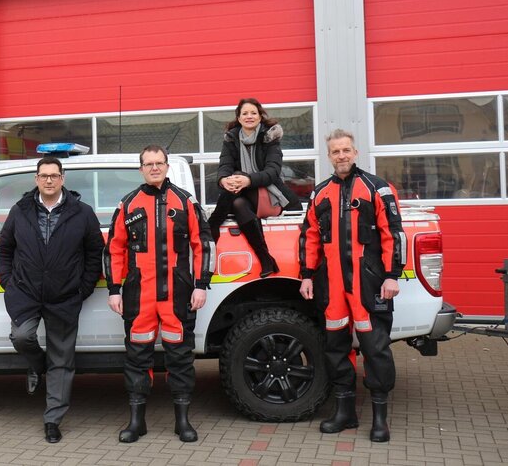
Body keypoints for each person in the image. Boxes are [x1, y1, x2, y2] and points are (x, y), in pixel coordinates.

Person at [298, 130, 405, 443]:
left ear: (355, 152)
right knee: (335, 348)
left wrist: (392, 275)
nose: (341, 156)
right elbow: (309, 237)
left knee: (376, 349)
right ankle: (345, 413)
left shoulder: (377, 188)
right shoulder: (319, 194)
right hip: (332, 287)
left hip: (369, 284)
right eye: (335, 151)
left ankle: (380, 419)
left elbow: (394, 234)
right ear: (329, 156)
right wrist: (306, 275)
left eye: (346, 150)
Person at [104, 145, 214, 443]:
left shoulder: (185, 201)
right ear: (140, 169)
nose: (154, 168)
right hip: (139, 297)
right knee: (137, 358)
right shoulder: (128, 204)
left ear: (167, 166)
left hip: (178, 296)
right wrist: (114, 290)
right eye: (148, 164)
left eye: (159, 163)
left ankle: (183, 422)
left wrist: (201, 284)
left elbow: (203, 244)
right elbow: (113, 249)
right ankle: (136, 423)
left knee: (180, 358)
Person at [0, 156, 104, 444]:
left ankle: (53, 419)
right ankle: (37, 365)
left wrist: (83, 289)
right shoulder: (20, 210)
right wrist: (9, 283)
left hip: (65, 297)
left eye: (54, 175)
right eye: (44, 175)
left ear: (63, 179)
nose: (49, 180)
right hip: (26, 293)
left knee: (63, 360)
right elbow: (4, 249)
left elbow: (95, 253)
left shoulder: (82, 213)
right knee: (21, 336)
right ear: (36, 179)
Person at [207, 98, 302, 277]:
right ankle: (265, 258)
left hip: (270, 193)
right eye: (245, 113)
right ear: (239, 117)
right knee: (238, 203)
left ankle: (212, 226)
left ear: (260, 117)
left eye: (253, 113)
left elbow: (272, 172)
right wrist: (223, 180)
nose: (249, 116)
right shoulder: (232, 139)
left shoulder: (269, 138)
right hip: (242, 195)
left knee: (239, 178)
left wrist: (247, 180)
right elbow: (224, 166)